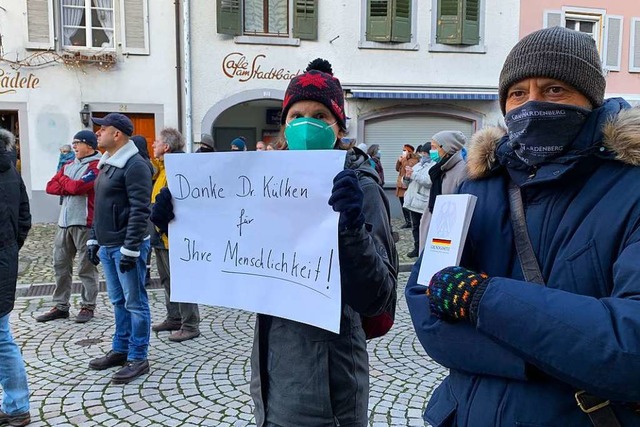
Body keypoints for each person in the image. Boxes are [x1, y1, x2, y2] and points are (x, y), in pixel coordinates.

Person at [406, 26, 640, 426]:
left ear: (591, 99)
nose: (531, 105)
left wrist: (482, 299)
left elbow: (630, 347)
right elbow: (426, 306)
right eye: (518, 93)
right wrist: (550, 355)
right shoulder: (478, 186)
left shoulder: (631, 188)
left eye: (553, 90)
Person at [151, 58, 398, 426]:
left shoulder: (360, 187)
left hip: (330, 386)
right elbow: (233, 245)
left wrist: (351, 230)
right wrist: (178, 220)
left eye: (319, 115)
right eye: (296, 115)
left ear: (338, 126)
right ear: (284, 123)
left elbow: (378, 296)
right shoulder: (265, 184)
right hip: (272, 370)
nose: (306, 124)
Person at [85, 113, 152, 385]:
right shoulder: (108, 164)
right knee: (118, 301)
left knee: (135, 303)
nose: (97, 133)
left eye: (103, 129)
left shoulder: (135, 165)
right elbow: (100, 207)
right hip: (108, 244)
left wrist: (131, 248)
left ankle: (138, 356)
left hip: (126, 247)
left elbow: (140, 209)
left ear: (118, 135)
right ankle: (120, 348)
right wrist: (93, 238)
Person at [36, 130, 101, 323]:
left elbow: (78, 188)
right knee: (60, 266)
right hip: (63, 223)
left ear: (89, 145)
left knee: (86, 268)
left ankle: (88, 305)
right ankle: (61, 305)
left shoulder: (97, 166)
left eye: (77, 143)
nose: (73, 146)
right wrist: (68, 181)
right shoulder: (69, 165)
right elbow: (50, 186)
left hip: (84, 223)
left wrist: (64, 181)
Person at [149, 128, 200, 342]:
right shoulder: (162, 167)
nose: (153, 144)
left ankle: (190, 324)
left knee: (182, 280)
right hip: (161, 235)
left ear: (167, 147)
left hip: (172, 234)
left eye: (157, 141)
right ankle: (174, 317)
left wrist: (162, 223)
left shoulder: (178, 168)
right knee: (168, 279)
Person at [0, 129, 31, 427]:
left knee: (1, 339)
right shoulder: (10, 168)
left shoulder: (9, 169)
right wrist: (10, 247)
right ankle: (15, 405)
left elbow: (23, 217)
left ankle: (18, 406)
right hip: (5, 259)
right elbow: (25, 218)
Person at [417, 130, 467, 252]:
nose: (431, 151)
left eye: (434, 147)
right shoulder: (438, 169)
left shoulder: (462, 171)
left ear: (446, 148)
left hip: (446, 233)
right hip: (433, 224)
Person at [402, 144, 432, 258]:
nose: (423, 155)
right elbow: (406, 182)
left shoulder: (433, 166)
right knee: (415, 227)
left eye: (425, 154)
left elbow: (428, 181)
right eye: (422, 153)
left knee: (424, 227)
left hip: (423, 202)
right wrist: (406, 177)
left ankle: (424, 249)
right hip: (413, 201)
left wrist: (413, 174)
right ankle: (417, 247)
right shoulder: (418, 165)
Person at [395, 144, 419, 229]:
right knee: (402, 203)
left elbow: (407, 168)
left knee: (407, 203)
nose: (403, 152)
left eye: (405, 150)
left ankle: (410, 221)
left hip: (406, 185)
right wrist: (399, 161)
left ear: (409, 151)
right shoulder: (404, 159)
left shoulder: (414, 160)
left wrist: (404, 160)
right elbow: (397, 169)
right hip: (400, 184)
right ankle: (407, 220)